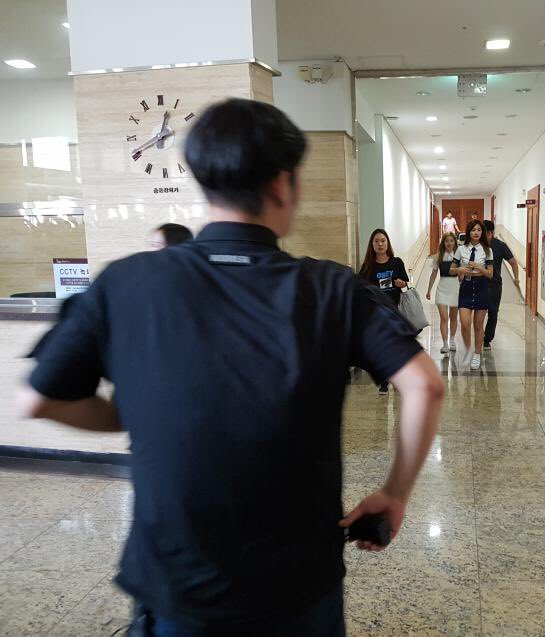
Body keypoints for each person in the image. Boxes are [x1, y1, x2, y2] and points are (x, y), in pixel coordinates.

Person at [16, 98, 444, 637]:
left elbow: (37, 399)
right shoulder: (331, 288)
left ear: (203, 178)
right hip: (298, 585)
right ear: (283, 184)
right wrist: (394, 494)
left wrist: (129, 415)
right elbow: (424, 386)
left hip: (177, 587)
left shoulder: (126, 282)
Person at [358, 229, 410, 394]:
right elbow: (360, 287)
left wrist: (401, 283)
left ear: (387, 243)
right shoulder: (368, 266)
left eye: (383, 241)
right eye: (376, 241)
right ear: (372, 245)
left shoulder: (396, 262)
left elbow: (405, 281)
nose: (380, 244)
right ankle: (384, 380)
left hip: (395, 310)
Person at [450, 220, 493, 371]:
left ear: (482, 232)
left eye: (479, 230)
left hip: (481, 287)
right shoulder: (461, 249)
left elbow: (490, 274)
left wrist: (479, 267)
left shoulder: (487, 250)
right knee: (465, 323)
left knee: (478, 326)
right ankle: (468, 350)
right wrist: (461, 269)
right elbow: (451, 270)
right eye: (473, 230)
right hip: (466, 288)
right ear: (468, 232)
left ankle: (476, 354)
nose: (476, 232)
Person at [483, 220, 522, 349]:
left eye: (483, 232)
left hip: (494, 285)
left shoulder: (500, 245)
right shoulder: (477, 245)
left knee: (493, 313)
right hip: (479, 284)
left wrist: (516, 278)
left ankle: (487, 339)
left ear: (490, 233)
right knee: (478, 313)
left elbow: (513, 262)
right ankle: (479, 336)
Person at [425, 232, 460, 355]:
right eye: (446, 241)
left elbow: (462, 274)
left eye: (451, 241)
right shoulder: (438, 256)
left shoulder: (459, 256)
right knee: (444, 317)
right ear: (443, 243)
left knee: (453, 317)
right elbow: (434, 274)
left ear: (455, 242)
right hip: (442, 289)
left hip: (455, 288)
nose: (449, 243)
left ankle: (452, 340)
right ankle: (445, 344)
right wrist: (429, 290)